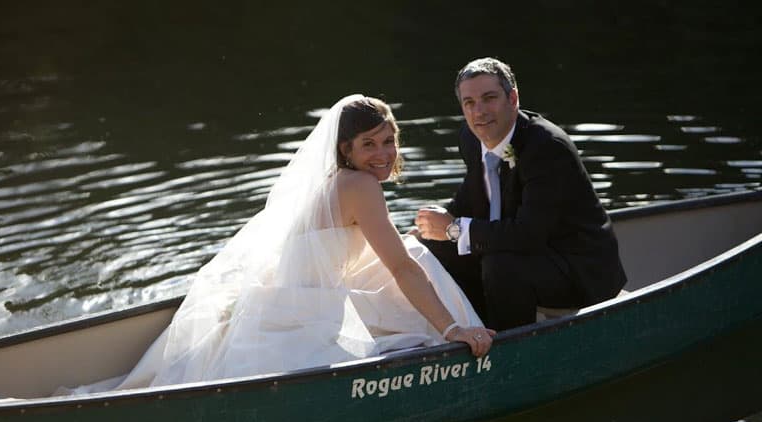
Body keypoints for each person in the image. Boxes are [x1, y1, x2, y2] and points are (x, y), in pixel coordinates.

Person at [60, 95, 493, 394]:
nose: (383, 153)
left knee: (410, 250)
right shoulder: (362, 185)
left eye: (389, 140)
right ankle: (467, 344)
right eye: (369, 144)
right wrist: (450, 328)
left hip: (289, 294)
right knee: (415, 258)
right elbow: (401, 268)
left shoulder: (333, 181)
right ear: (345, 148)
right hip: (305, 310)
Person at [415, 58, 627, 331]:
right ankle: (473, 330)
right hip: (528, 255)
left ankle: (508, 351)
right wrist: (428, 227)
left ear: (512, 98)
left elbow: (529, 234)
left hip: (577, 270)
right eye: (469, 103)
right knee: (434, 247)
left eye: (488, 98)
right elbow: (473, 197)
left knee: (500, 264)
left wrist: (455, 229)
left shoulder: (546, 147)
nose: (478, 112)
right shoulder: (471, 138)